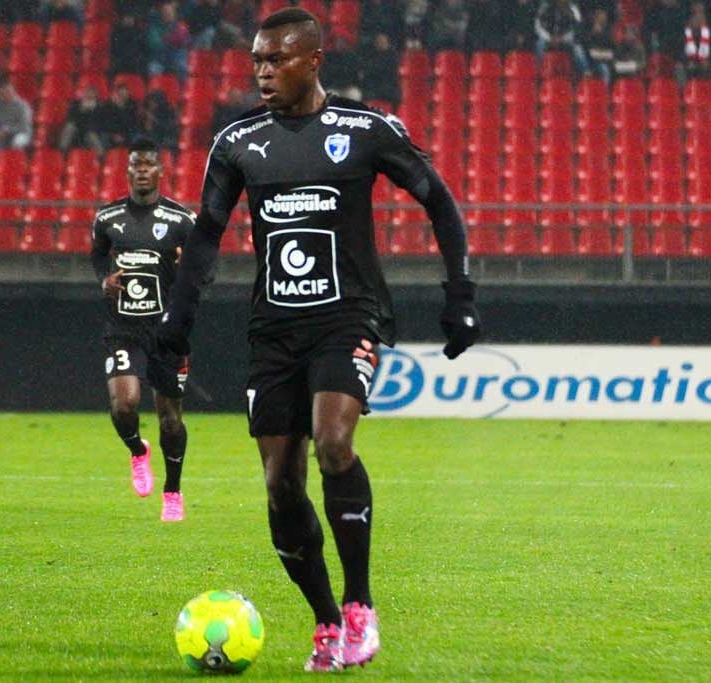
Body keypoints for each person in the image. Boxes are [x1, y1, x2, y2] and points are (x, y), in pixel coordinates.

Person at [157, 7, 481, 672]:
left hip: (347, 318)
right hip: (274, 329)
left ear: (313, 61)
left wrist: (460, 295)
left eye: (276, 60)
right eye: (257, 60)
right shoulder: (238, 142)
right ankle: (327, 619)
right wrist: (176, 321)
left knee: (334, 443)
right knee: (281, 484)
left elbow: (440, 202)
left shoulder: (365, 130)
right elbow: (206, 235)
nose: (263, 72)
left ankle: (361, 605)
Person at [91, 138, 196, 522]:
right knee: (124, 405)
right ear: (128, 171)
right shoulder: (107, 218)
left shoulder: (181, 220)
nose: (142, 171)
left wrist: (187, 271)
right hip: (123, 328)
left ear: (160, 171)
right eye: (136, 165)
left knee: (170, 418)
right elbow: (97, 257)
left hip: (166, 332)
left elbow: (206, 269)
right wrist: (104, 280)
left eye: (149, 164)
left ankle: (173, 492)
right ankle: (138, 451)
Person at [535, 0, 589, 73]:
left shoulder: (573, 8)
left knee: (577, 47)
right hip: (548, 38)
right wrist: (549, 37)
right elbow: (538, 26)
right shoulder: (545, 7)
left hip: (565, 39)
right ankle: (538, 71)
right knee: (539, 44)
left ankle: (585, 72)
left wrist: (562, 38)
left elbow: (577, 29)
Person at [0, 83, 33, 153]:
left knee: (18, 142)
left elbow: (23, 126)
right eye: (2, 94)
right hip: (4, 136)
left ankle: (16, 159)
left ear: (12, 93)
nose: (3, 96)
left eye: (6, 93)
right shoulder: (0, 106)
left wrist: (8, 130)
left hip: (21, 133)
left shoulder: (23, 106)